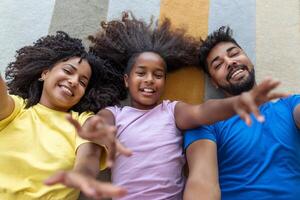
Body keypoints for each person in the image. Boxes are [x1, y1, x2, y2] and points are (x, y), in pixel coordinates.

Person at [78, 13, 285, 200]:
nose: (150, 80)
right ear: (126, 80)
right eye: (141, 73)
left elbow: (203, 112)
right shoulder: (115, 114)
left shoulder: (172, 111)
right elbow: (96, 137)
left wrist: (238, 103)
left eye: (158, 75)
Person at [0, 31, 129, 200]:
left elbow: (90, 154)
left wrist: (83, 174)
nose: (74, 81)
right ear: (45, 73)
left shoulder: (82, 121)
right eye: (68, 71)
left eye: (83, 82)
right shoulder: (18, 109)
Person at [183, 26, 300, 200]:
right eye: (218, 64)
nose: (230, 62)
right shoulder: (205, 124)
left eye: (234, 53)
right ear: (214, 82)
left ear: (249, 59)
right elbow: (202, 184)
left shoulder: (290, 105)